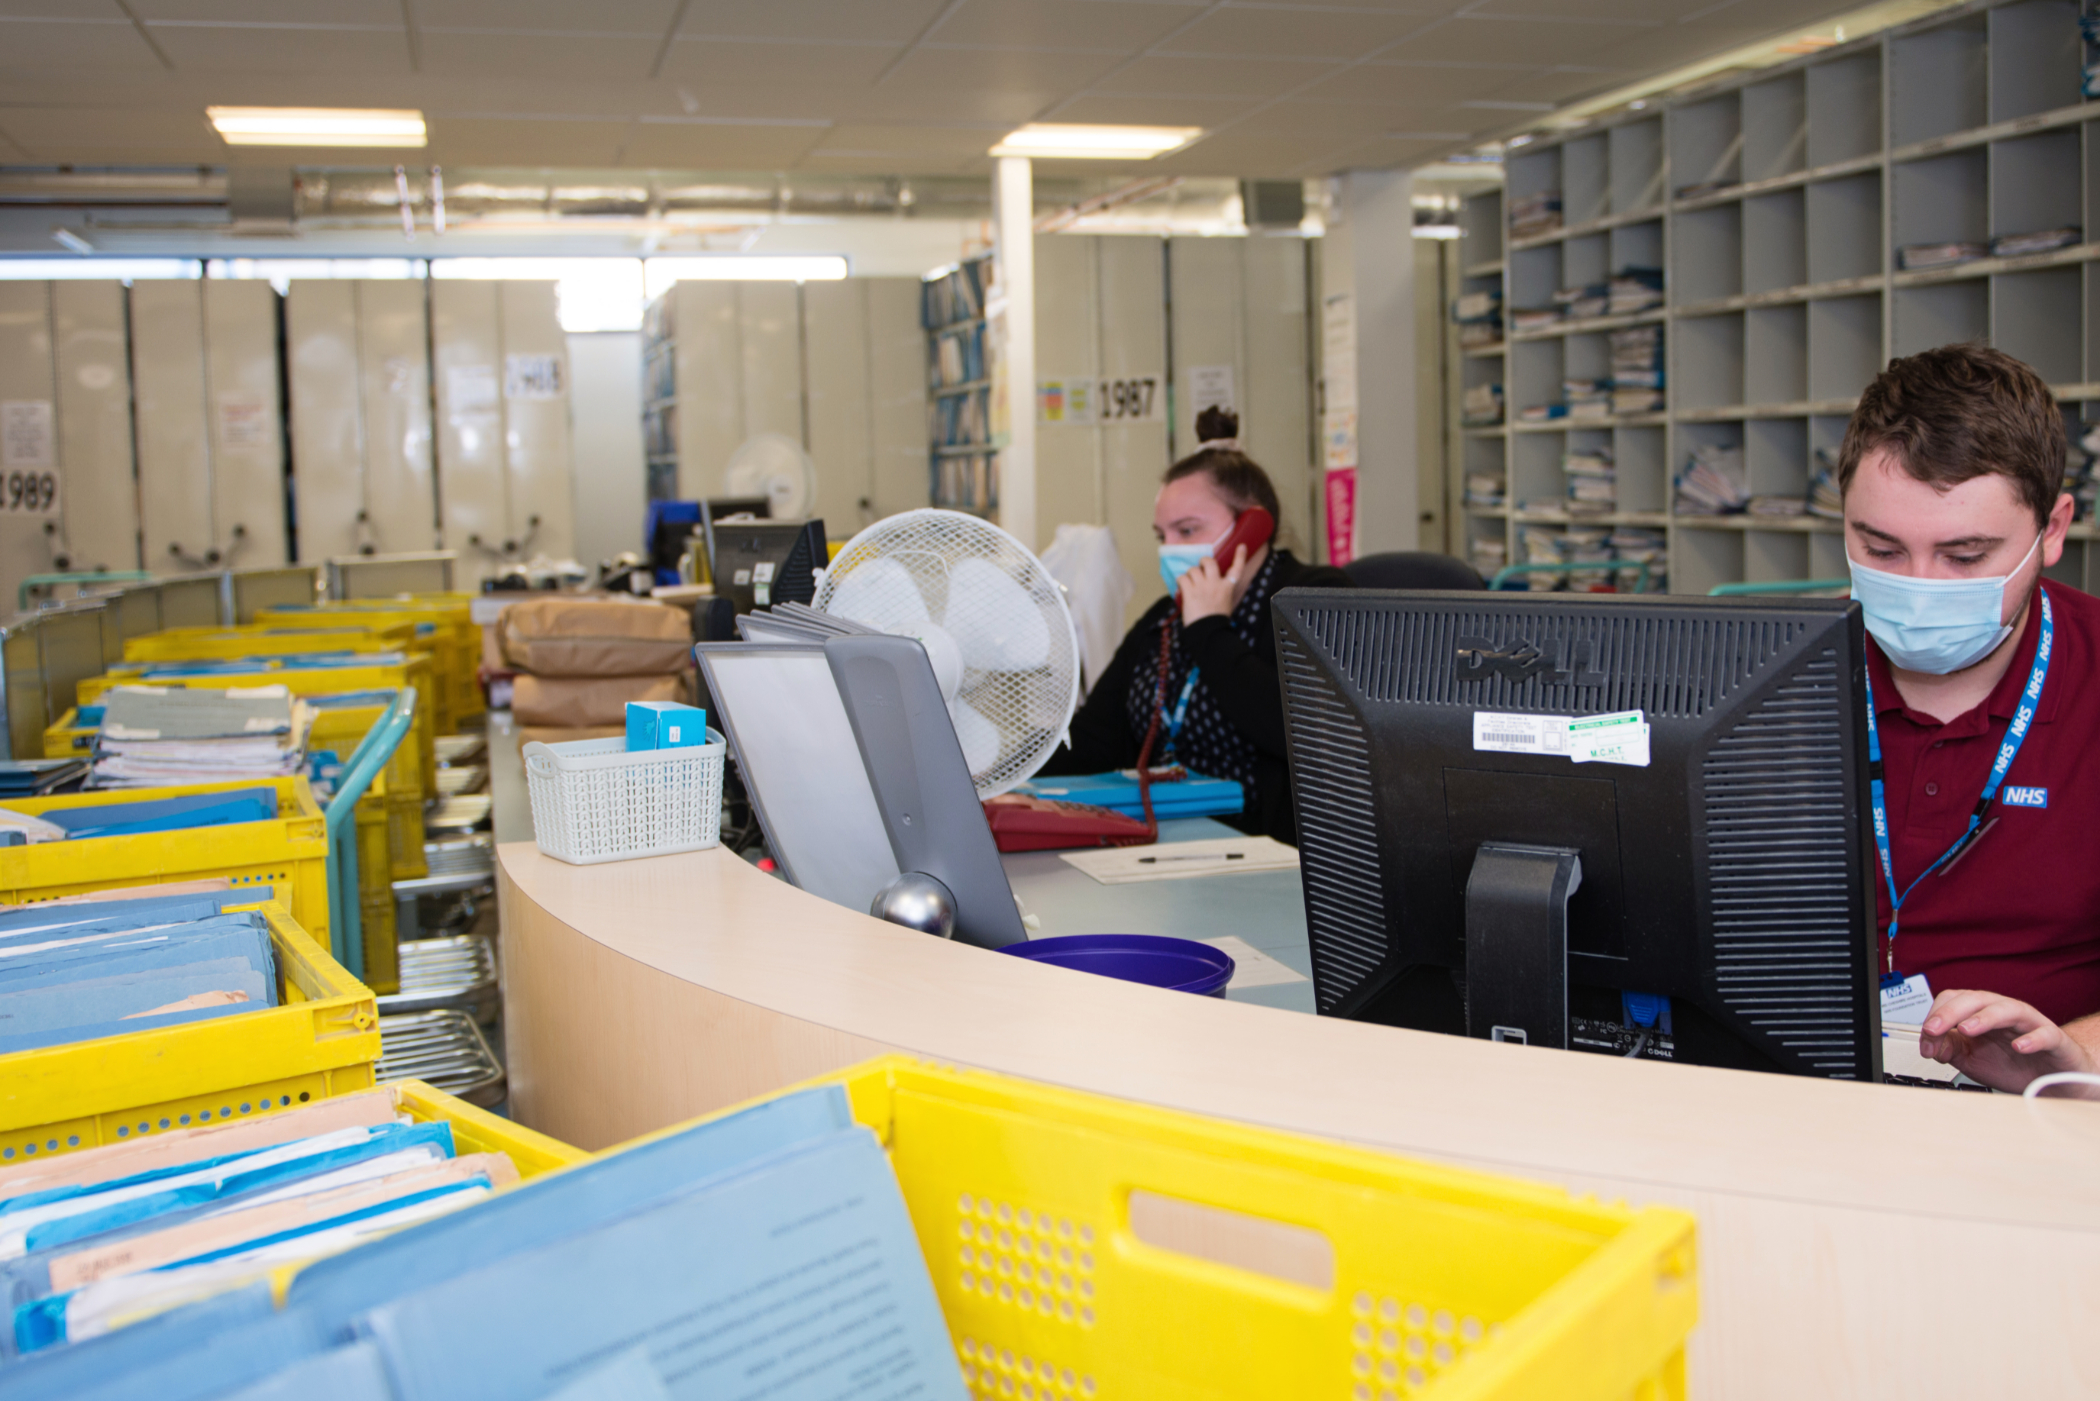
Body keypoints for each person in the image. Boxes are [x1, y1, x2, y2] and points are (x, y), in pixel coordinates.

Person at [1835, 344, 2100, 1096]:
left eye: (1966, 554)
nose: (1919, 590)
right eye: (1881, 548)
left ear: (2052, 529)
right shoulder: (1768, 676)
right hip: (1804, 1092)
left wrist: (2073, 1058)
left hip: (2042, 1112)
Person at [1037, 409, 1349, 844]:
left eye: (1187, 530)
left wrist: (1208, 630)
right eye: (1162, 536)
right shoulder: (1164, 617)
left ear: (1252, 527)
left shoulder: (1315, 600)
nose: (1171, 551)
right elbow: (1096, 738)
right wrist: (1004, 754)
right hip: (1162, 841)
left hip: (1268, 853)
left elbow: (1307, 735)